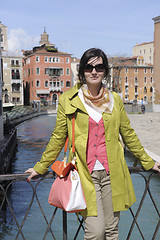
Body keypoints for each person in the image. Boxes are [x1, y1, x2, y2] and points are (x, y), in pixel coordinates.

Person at [25, 48, 160, 240]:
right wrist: (41, 167)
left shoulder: (115, 100)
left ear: (105, 71)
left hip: (113, 173)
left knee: (112, 232)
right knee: (95, 233)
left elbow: (128, 134)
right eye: (89, 67)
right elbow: (58, 137)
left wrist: (148, 162)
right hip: (84, 174)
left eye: (99, 67)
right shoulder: (68, 100)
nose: (94, 71)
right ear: (82, 71)